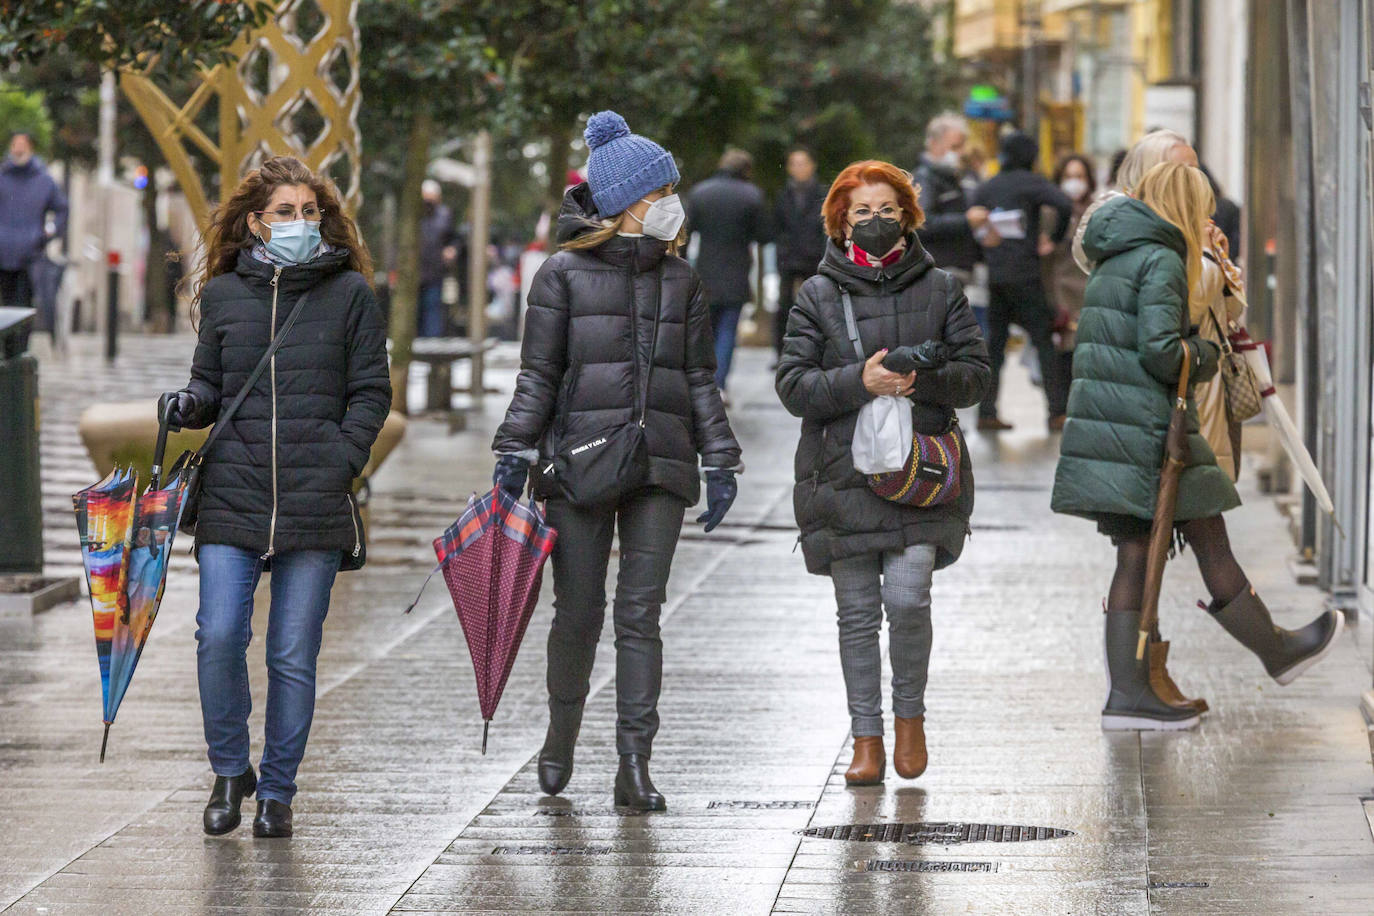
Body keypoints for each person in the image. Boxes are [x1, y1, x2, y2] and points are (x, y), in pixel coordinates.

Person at [492, 112, 742, 812]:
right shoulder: (561, 276)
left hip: (661, 461)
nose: (673, 199)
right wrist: (515, 447)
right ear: (628, 200)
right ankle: (561, 735)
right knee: (577, 612)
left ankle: (635, 764)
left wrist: (720, 458)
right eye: (662, 187)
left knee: (641, 614)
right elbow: (537, 375)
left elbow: (699, 381)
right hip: (580, 463)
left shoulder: (682, 279)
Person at [1051, 162, 1341, 731]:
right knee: (1161, 546)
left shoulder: (1117, 252)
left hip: (1120, 427)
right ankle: (1143, 691)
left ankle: (1155, 684)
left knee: (1168, 542)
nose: (1207, 217)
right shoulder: (1160, 257)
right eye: (1202, 206)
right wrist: (1208, 357)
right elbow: (1163, 350)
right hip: (1148, 431)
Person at [160, 156, 391, 838]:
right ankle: (231, 770)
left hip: (314, 500)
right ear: (255, 222)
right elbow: (210, 388)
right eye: (284, 212)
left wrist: (341, 459)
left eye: (308, 212)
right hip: (234, 491)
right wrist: (185, 404)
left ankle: (278, 791)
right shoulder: (227, 295)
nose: (299, 223)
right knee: (219, 637)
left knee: (292, 653)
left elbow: (371, 392)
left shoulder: (349, 295)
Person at [776, 160, 990, 785]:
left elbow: (977, 376)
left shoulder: (942, 289)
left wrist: (922, 378)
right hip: (841, 475)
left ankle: (910, 720)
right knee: (857, 613)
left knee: (908, 596)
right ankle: (865, 739)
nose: (874, 222)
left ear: (908, 216)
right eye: (860, 212)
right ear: (841, 222)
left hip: (920, 472)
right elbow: (793, 386)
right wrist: (858, 381)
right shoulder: (816, 295)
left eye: (887, 210)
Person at [971, 131, 1073, 431]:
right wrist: (1051, 239)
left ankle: (986, 412)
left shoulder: (988, 187)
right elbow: (1063, 205)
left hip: (996, 275)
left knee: (995, 345)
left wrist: (984, 249)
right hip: (1026, 275)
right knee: (1044, 341)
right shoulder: (1033, 182)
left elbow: (973, 217)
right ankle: (1057, 411)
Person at [685, 148, 770, 398]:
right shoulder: (752, 196)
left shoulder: (700, 192)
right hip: (737, 270)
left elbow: (687, 232)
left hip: (705, 270)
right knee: (728, 331)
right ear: (746, 169)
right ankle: (719, 385)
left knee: (705, 331)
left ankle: (700, 383)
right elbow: (764, 234)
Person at [913, 113, 995, 324]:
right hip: (939, 271)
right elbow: (923, 222)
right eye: (955, 146)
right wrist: (966, 221)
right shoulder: (925, 178)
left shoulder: (961, 176)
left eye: (962, 146)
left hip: (965, 272)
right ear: (933, 143)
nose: (960, 153)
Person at [1043, 154, 1097, 394]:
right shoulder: (1051, 212)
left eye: (1079, 176)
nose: (1074, 182)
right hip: (1061, 291)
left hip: (1091, 291)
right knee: (1064, 354)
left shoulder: (1098, 211)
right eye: (1068, 177)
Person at [0, 132, 67, 313]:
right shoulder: (2, 177)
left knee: (23, 310)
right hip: (2, 255)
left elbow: (62, 209)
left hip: (29, 257)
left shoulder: (44, 181)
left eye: (23, 145)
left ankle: (21, 342)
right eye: (16, 145)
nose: (19, 149)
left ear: (30, 148)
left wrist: (48, 231)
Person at [772, 146, 828, 362]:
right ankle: (781, 353)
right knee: (784, 305)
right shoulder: (783, 195)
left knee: (818, 305)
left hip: (815, 258)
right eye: (794, 164)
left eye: (802, 163)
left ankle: (818, 350)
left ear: (812, 166)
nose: (799, 168)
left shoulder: (822, 194)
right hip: (789, 258)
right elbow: (777, 227)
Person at [418, 178, 458, 337]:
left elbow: (454, 239)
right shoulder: (414, 216)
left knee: (433, 311)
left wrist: (452, 250)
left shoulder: (445, 215)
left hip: (436, 272)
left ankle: (431, 346)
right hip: (415, 273)